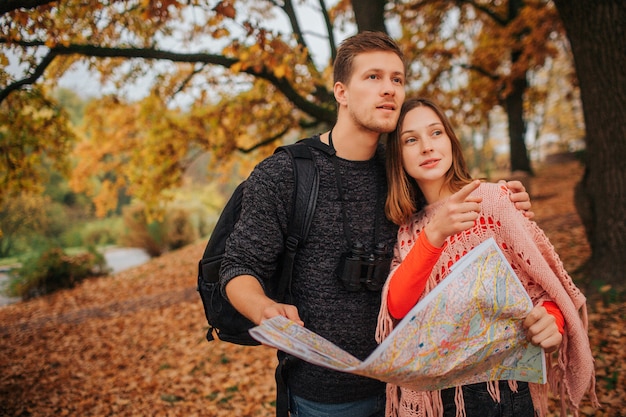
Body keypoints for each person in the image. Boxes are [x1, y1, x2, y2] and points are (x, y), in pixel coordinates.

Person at [219, 32, 532, 417]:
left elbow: (449, 197)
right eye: (373, 77)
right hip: (325, 397)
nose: (389, 89)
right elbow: (237, 266)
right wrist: (262, 308)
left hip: (415, 391)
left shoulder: (402, 166)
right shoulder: (286, 173)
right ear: (341, 92)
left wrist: (501, 201)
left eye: (397, 79)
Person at [376, 97, 598, 417]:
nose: (426, 146)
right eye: (411, 139)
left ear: (451, 142)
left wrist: (553, 320)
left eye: (435, 133)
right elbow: (397, 307)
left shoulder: (492, 201)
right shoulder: (409, 231)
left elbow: (542, 284)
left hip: (503, 392)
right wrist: (434, 236)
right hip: (440, 400)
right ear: (398, 156)